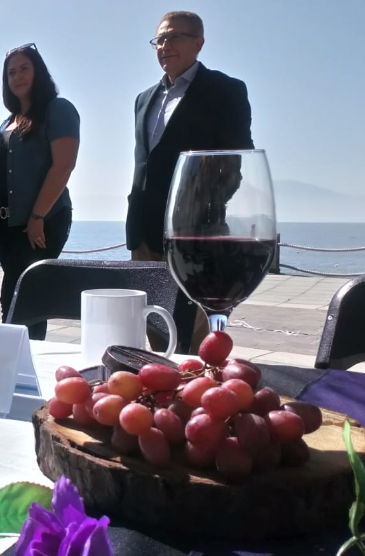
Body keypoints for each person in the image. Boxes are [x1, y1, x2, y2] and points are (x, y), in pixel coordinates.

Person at [126, 11, 254, 350]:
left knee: (194, 332)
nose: (165, 45)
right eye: (160, 39)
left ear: (198, 42)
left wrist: (203, 207)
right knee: (152, 322)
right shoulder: (144, 99)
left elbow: (236, 161)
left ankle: (196, 392)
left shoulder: (225, 91)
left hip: (196, 230)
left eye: (174, 37)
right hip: (144, 231)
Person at [0, 44, 80, 339]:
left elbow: (64, 166)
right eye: (11, 72)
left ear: (38, 71)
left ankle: (25, 368)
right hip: (6, 226)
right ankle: (16, 363)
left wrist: (37, 216)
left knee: (27, 299)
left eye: (24, 68)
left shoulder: (58, 108)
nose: (17, 76)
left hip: (42, 222)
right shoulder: (7, 121)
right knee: (11, 297)